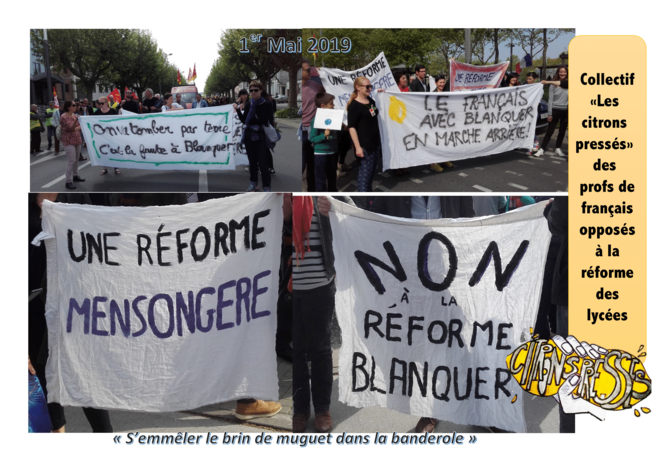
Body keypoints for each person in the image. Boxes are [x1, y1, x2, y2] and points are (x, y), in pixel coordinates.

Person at [292, 196, 356, 433]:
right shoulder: (282, 200)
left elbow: (355, 213)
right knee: (297, 352)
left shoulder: (323, 195)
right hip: (288, 290)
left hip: (320, 285)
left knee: (319, 350)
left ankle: (321, 409)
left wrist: (336, 209)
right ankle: (299, 410)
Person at [234, 81, 275, 192]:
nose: (253, 92)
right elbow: (244, 121)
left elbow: (263, 120)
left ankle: (266, 186)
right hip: (249, 136)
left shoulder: (266, 104)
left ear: (261, 90)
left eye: (255, 90)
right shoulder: (248, 104)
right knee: (252, 162)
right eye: (251, 90)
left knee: (263, 163)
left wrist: (251, 121)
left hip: (261, 135)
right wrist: (238, 110)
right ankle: (253, 184)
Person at [346, 77, 381, 192]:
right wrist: (357, 147)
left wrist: (380, 94)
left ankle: (368, 195)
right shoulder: (354, 106)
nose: (370, 89)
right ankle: (362, 198)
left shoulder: (370, 100)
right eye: (367, 87)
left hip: (375, 143)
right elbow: (352, 127)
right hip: (365, 145)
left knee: (370, 174)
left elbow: (374, 112)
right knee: (364, 176)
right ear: (358, 87)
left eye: (370, 86)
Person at [535, 66, 568, 158]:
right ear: (558, 72)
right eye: (561, 72)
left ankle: (558, 148)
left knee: (562, 131)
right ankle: (542, 149)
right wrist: (549, 113)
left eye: (564, 72)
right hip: (555, 110)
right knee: (550, 131)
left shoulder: (569, 83)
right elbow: (550, 100)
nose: (562, 73)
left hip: (565, 111)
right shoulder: (553, 85)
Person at [308, 92, 339, 192]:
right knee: (320, 178)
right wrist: (324, 135)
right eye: (331, 103)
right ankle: (321, 194)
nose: (333, 105)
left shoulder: (334, 117)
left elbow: (336, 133)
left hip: (333, 151)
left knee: (332, 176)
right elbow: (312, 138)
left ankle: (333, 192)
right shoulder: (315, 119)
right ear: (323, 106)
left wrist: (342, 127)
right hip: (321, 153)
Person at [302, 58, 325, 190]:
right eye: (308, 69)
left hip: (315, 131)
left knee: (313, 165)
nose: (311, 71)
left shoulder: (315, 85)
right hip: (302, 133)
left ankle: (311, 190)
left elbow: (328, 95)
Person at [59, 100, 85, 189]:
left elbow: (79, 128)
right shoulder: (63, 117)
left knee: (76, 160)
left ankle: (75, 176)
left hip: (77, 139)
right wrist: (76, 123)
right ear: (68, 107)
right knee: (72, 161)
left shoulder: (74, 116)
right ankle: (68, 181)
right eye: (73, 105)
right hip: (68, 141)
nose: (75, 107)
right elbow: (70, 128)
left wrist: (76, 126)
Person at [94, 97, 121, 176]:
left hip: (112, 135)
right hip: (102, 136)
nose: (100, 105)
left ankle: (116, 167)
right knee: (104, 151)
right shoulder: (98, 111)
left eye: (102, 103)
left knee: (114, 150)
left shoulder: (112, 111)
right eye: (99, 103)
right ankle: (104, 167)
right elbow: (89, 119)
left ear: (106, 103)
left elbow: (118, 121)